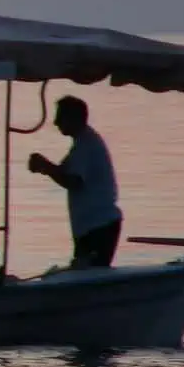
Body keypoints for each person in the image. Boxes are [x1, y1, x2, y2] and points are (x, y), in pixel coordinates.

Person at [28, 95, 122, 267]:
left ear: (74, 119)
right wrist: (45, 166)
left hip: (98, 227)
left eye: (60, 117)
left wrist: (46, 167)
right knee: (84, 272)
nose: (55, 122)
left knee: (89, 275)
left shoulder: (86, 144)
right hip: (93, 226)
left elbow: (74, 182)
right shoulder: (82, 143)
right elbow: (63, 172)